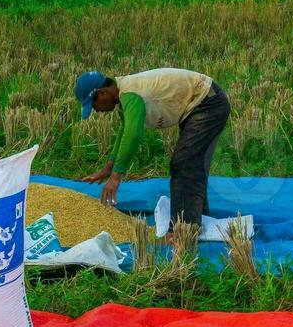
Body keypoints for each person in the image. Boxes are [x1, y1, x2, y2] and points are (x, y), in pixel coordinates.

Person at [74, 68, 231, 228]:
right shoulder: (123, 94)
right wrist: (109, 168)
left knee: (184, 164)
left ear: (102, 93)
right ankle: (197, 219)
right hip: (201, 103)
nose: (96, 110)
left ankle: (183, 229)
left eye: (93, 105)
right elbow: (124, 132)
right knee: (193, 164)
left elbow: (133, 135)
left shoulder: (130, 94)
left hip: (208, 103)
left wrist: (116, 177)